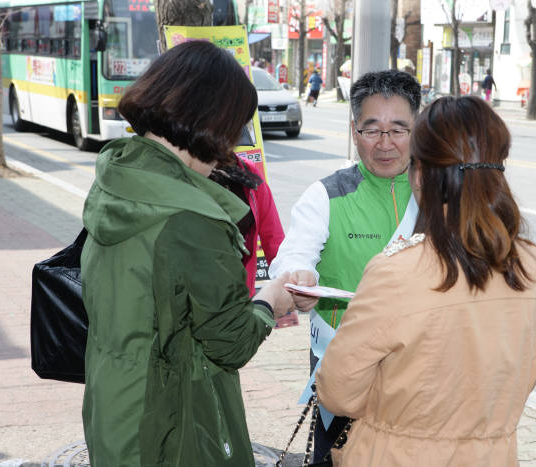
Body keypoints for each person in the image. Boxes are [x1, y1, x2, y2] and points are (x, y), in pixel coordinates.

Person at [80, 41, 295, 466]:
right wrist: (272, 300)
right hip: (171, 420)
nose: (230, 143)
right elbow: (231, 342)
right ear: (209, 120)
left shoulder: (120, 174)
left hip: (114, 402)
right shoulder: (192, 216)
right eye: (231, 127)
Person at [315, 95, 536, 466]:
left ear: (422, 173)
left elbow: (338, 390)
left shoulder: (397, 272)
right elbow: (524, 376)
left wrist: (393, 404)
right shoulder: (533, 267)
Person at [270, 69, 421, 462]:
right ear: (354, 131)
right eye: (372, 130)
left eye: (398, 129)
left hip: (420, 370)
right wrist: (299, 277)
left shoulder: (441, 195)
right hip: (345, 371)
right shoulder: (326, 195)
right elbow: (293, 256)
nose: (385, 143)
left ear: (418, 129)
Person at [209, 154, 284, 296]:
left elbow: (273, 237)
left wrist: (285, 285)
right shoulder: (187, 172)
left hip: (240, 294)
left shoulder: (247, 170)